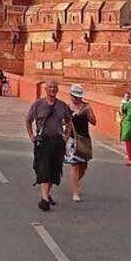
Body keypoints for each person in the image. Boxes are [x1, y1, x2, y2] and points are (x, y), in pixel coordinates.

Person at [25, 80, 72, 211]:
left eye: (54, 87)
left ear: (57, 90)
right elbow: (28, 121)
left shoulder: (62, 106)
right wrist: (31, 136)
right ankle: (44, 199)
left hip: (57, 141)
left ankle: (47, 194)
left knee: (54, 170)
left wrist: (66, 137)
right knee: (43, 168)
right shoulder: (38, 105)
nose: (52, 89)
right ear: (45, 89)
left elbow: (69, 122)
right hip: (43, 141)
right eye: (50, 87)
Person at [64, 84, 97, 202]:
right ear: (71, 95)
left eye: (79, 97)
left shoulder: (86, 107)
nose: (77, 99)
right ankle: (75, 192)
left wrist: (88, 113)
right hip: (72, 138)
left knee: (83, 165)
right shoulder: (67, 107)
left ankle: (75, 183)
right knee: (75, 164)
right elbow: (63, 122)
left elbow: (94, 122)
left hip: (84, 138)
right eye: (75, 97)